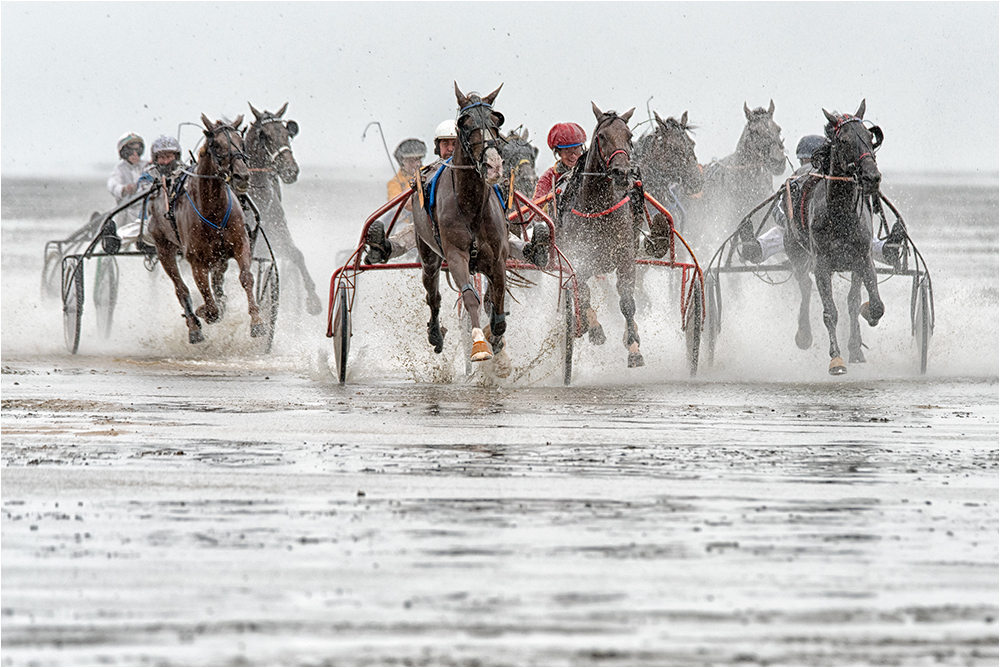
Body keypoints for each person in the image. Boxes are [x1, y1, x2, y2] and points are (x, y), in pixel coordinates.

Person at [738, 134, 906, 269]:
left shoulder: (798, 177)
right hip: (843, 236)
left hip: (805, 240)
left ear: (803, 159)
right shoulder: (841, 179)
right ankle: (886, 251)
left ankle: (755, 250)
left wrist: (791, 223)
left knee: (779, 234)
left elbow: (780, 209)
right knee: (864, 236)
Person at [102, 132, 147, 252]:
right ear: (123, 153)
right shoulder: (120, 169)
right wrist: (124, 189)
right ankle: (113, 247)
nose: (135, 154)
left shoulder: (147, 166)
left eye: (138, 151)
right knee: (121, 225)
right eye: (131, 152)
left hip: (144, 210)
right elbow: (112, 185)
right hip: (125, 210)